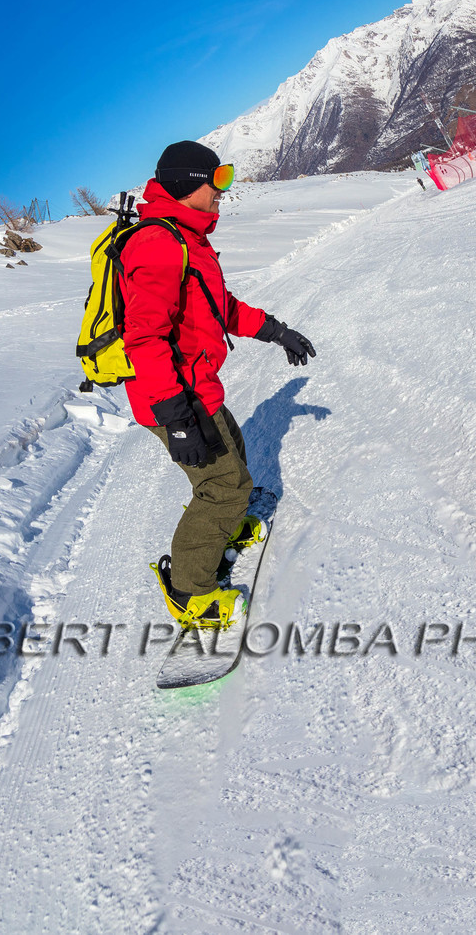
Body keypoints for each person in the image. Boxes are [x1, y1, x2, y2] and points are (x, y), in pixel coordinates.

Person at [120, 141, 315, 626]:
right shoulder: (159, 244)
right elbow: (143, 338)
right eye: (219, 179)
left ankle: (226, 528)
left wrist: (275, 330)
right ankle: (190, 590)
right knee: (223, 486)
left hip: (196, 383)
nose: (225, 189)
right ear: (189, 184)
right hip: (173, 394)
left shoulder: (188, 238)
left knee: (235, 455)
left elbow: (218, 305)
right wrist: (175, 416)